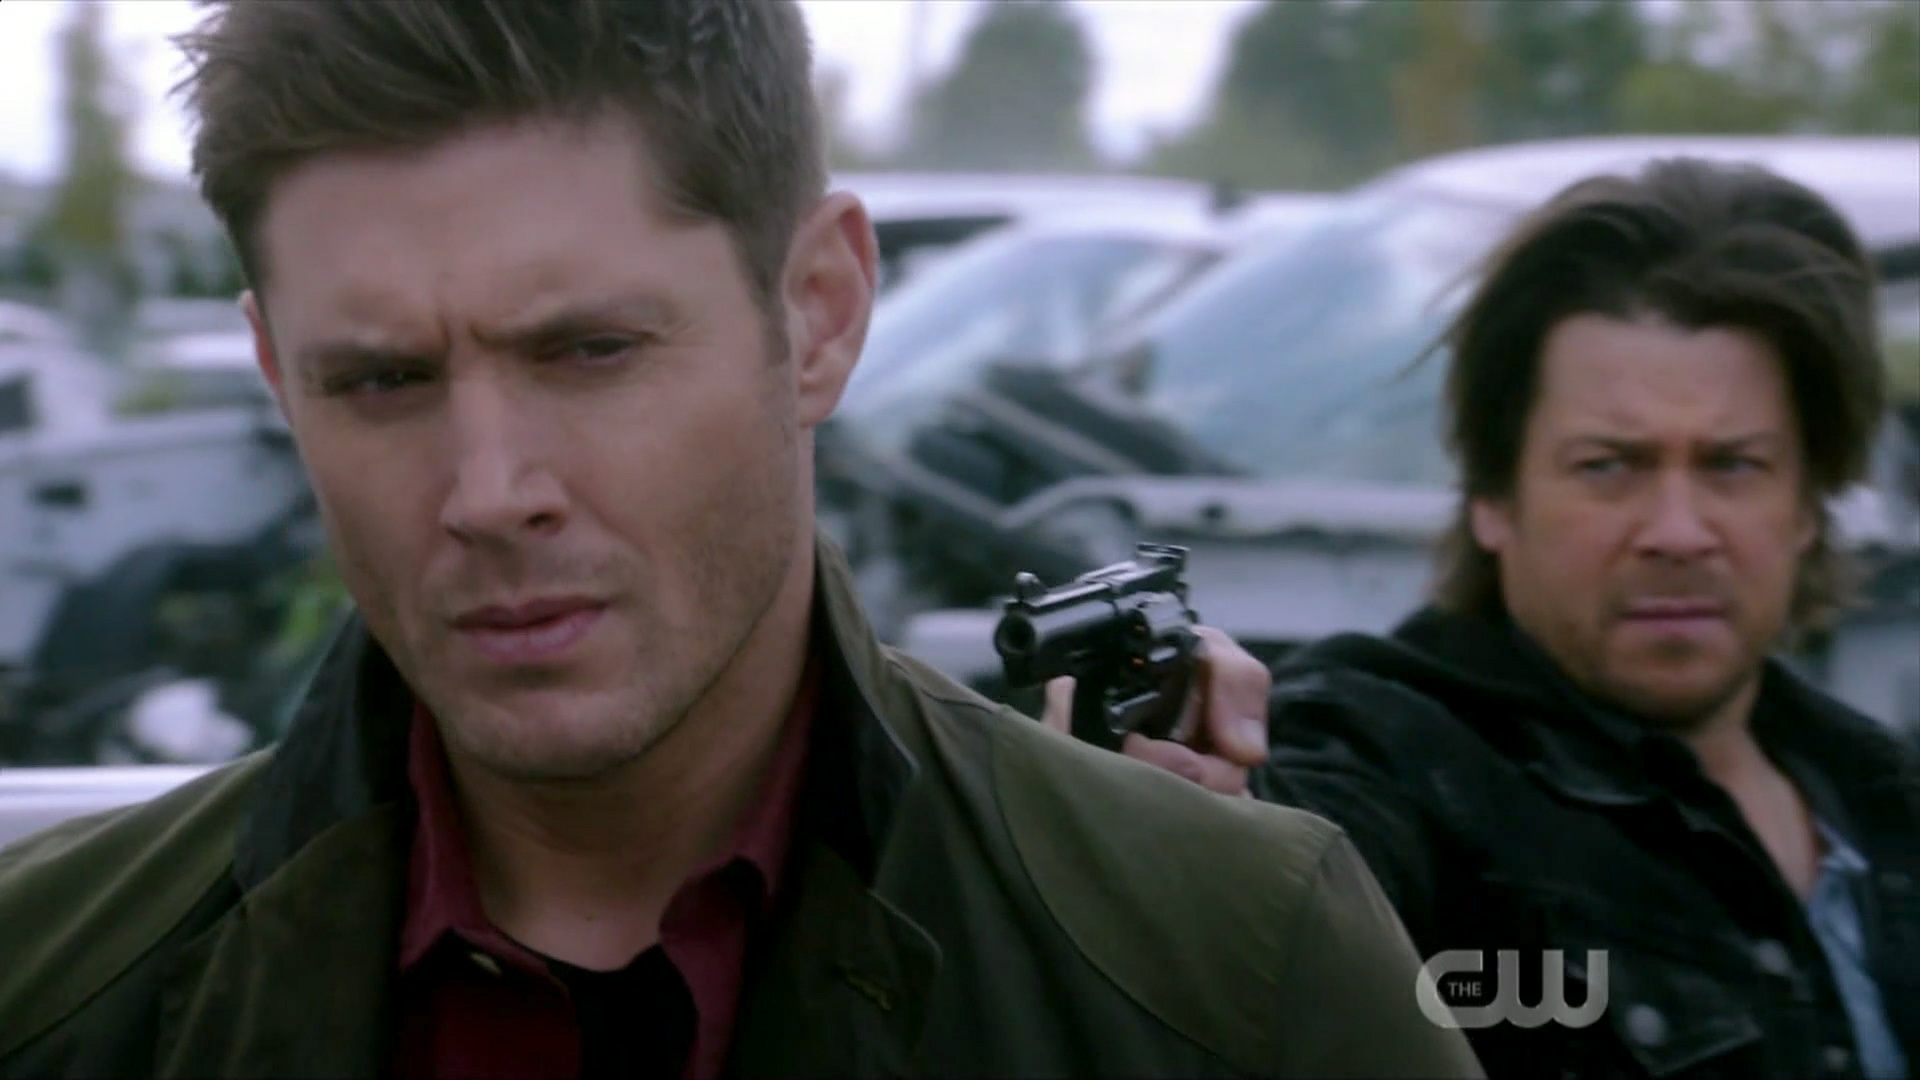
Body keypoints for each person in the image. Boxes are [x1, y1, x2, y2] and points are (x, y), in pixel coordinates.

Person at [0, 3, 1484, 1078]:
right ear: (276, 377)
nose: (489, 490)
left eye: (590, 350)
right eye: (381, 381)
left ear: (819, 314)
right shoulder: (49, 993)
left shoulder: (1235, 976)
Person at [1094, 158, 1920, 1079]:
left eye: (1734, 465)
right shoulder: (1401, 758)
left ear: (1808, 502)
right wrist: (1181, 801)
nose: (1678, 532)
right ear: (1493, 494)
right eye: (1608, 466)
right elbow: (1288, 861)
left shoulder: (1878, 792)